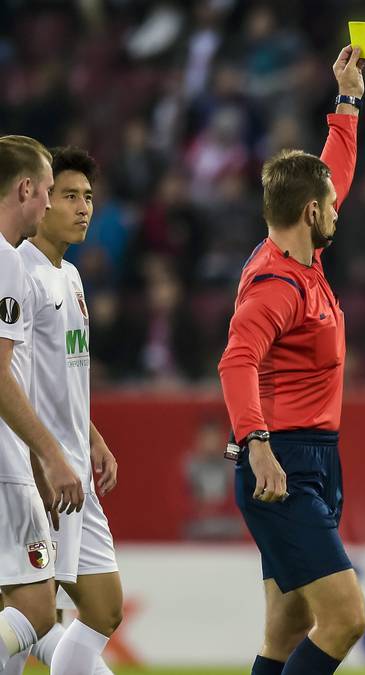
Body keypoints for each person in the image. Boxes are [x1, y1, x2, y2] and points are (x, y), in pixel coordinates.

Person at [217, 45, 365, 675]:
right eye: (329, 206)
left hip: (312, 456)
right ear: (311, 213)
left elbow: (332, 174)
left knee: (287, 626)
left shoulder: (302, 258)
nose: (337, 208)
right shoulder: (277, 286)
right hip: (284, 464)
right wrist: (257, 444)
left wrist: (348, 102)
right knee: (344, 618)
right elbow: (235, 362)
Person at [17, 146, 121, 675]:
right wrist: (43, 459)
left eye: (89, 198)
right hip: (42, 470)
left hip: (76, 465)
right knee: (33, 611)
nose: (84, 208)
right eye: (70, 196)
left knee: (103, 610)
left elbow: (65, 377)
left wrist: (94, 438)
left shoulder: (73, 278)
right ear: (40, 199)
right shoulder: (21, 273)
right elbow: (16, 381)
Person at [0, 136, 86, 673]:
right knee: (35, 605)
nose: (52, 203)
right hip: (5, 462)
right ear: (27, 188)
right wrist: (50, 454)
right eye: (51, 191)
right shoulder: (8, 263)